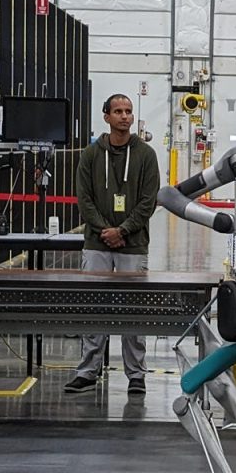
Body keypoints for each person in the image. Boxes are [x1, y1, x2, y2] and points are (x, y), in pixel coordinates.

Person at [67, 93, 161, 397]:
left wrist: (123, 230)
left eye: (128, 111)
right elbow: (85, 199)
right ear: (106, 116)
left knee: (133, 310)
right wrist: (105, 230)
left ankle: (136, 374)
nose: (124, 116)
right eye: (118, 111)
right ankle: (87, 371)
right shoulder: (91, 155)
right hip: (97, 244)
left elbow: (149, 200)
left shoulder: (146, 155)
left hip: (133, 246)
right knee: (94, 307)